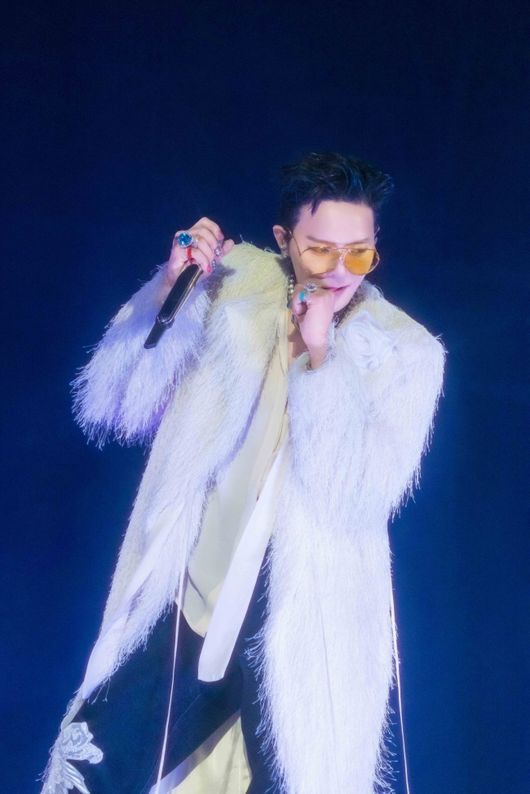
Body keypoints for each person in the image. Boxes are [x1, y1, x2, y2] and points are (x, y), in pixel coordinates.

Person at [39, 152, 447, 794]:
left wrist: (322, 359)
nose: (340, 271)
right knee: (93, 770)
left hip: (304, 623)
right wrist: (169, 289)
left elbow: (357, 494)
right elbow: (114, 405)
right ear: (285, 240)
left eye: (360, 253)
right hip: (189, 592)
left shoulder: (405, 352)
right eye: (320, 250)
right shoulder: (234, 286)